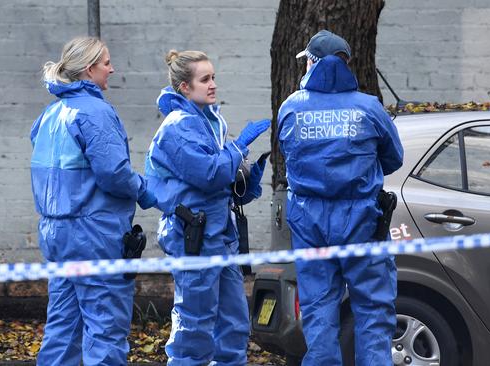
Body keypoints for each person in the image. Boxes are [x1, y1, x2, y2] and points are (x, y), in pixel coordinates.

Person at [277, 30, 404, 365]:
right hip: (362, 220)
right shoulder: (369, 108)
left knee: (319, 312)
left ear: (315, 63)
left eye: (307, 61)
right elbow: (394, 158)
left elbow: (288, 155)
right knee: (373, 312)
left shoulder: (291, 108)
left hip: (309, 221)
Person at [30, 36, 156, 366]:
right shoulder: (96, 113)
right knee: (104, 331)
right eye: (106, 63)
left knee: (62, 329)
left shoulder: (51, 114)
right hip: (94, 236)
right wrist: (146, 190)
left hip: (56, 235)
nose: (112, 69)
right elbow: (115, 174)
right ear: (89, 70)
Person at [145, 49, 270, 365]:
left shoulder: (210, 122)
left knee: (233, 324)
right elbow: (209, 174)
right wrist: (239, 146)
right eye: (205, 79)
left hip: (219, 236)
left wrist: (247, 177)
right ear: (185, 87)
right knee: (194, 329)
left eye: (213, 77)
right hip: (195, 239)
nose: (213, 84)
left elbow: (221, 181)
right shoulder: (178, 126)